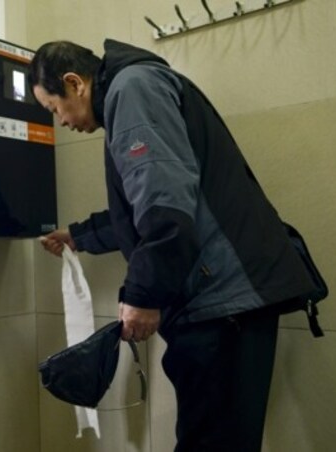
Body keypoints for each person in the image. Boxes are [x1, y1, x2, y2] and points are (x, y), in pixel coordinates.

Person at [28, 39, 316, 451]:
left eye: (53, 108)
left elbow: (164, 206)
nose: (61, 122)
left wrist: (144, 295)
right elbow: (149, 206)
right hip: (226, 300)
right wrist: (79, 236)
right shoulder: (137, 87)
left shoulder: (132, 89)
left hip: (221, 304)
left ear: (74, 83)